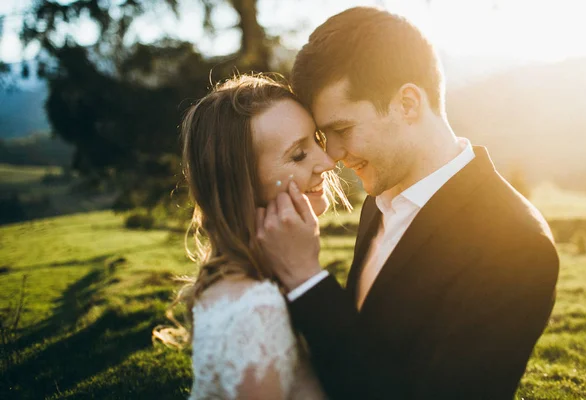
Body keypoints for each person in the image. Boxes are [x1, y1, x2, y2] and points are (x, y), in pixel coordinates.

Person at [256, 7, 560, 400]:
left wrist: (307, 281)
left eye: (342, 129)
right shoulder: (379, 199)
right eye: (323, 135)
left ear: (408, 103)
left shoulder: (517, 243)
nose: (331, 156)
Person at [177, 74, 350, 399]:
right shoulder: (255, 310)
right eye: (298, 155)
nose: (327, 162)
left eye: (317, 140)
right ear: (242, 184)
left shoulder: (254, 283)